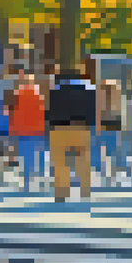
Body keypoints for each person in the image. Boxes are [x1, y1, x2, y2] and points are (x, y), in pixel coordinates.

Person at [47, 68, 97, 202]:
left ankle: (61, 193)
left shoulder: (54, 90)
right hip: (82, 128)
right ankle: (85, 192)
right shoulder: (89, 89)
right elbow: (94, 109)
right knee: (83, 161)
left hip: (59, 128)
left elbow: (49, 110)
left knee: (60, 163)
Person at [9, 73, 48, 192]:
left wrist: (12, 130)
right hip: (37, 130)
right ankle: (41, 178)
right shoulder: (38, 95)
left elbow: (12, 114)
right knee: (39, 154)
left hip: (22, 131)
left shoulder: (17, 94)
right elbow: (43, 112)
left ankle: (27, 181)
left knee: (26, 156)